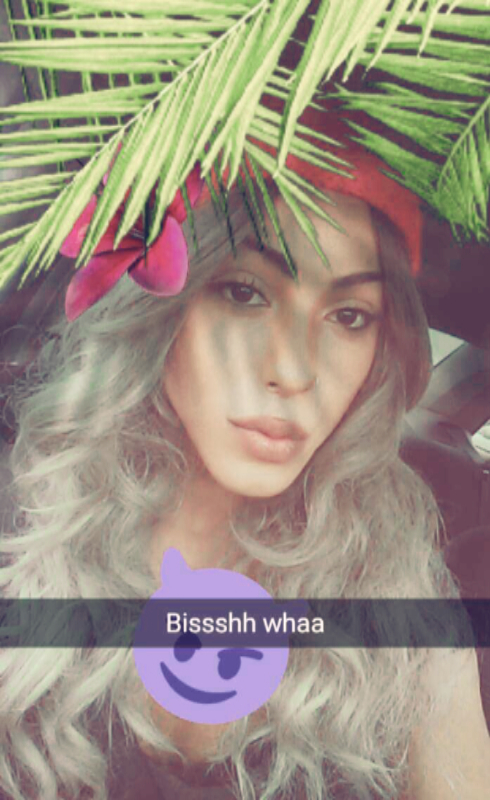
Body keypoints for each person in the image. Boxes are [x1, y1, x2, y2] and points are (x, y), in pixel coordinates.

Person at [0, 101, 489, 800]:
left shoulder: (404, 611)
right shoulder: (22, 534)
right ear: (159, 309)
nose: (294, 370)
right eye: (244, 293)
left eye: (349, 316)